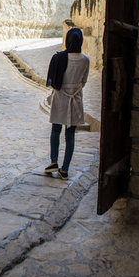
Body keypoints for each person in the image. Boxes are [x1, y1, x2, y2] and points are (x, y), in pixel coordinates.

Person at [44, 28, 90, 180]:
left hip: (60, 97)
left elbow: (54, 81)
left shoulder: (60, 58)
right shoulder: (85, 59)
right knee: (70, 135)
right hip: (75, 99)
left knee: (55, 130)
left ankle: (53, 162)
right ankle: (65, 169)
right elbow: (83, 81)